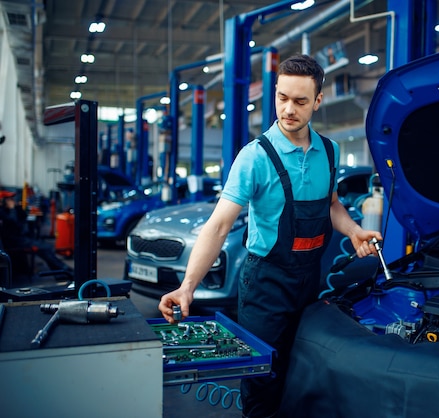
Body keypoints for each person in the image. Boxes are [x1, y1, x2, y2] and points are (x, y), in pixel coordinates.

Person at [158, 54, 382, 417]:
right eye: (282, 97)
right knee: (263, 378)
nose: (288, 109)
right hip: (266, 284)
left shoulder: (330, 150)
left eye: (300, 101)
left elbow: (332, 203)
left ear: (318, 101)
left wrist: (354, 230)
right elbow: (217, 226)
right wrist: (188, 286)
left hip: (309, 280)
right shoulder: (254, 157)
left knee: (301, 369)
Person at [0, 190, 72, 278]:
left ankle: (61, 272)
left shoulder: (11, 210)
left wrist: (18, 207)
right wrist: (12, 209)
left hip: (22, 238)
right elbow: (14, 222)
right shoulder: (2, 212)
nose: (12, 200)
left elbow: (23, 218)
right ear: (3, 201)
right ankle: (63, 270)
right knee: (45, 248)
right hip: (15, 241)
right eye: (9, 199)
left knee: (47, 248)